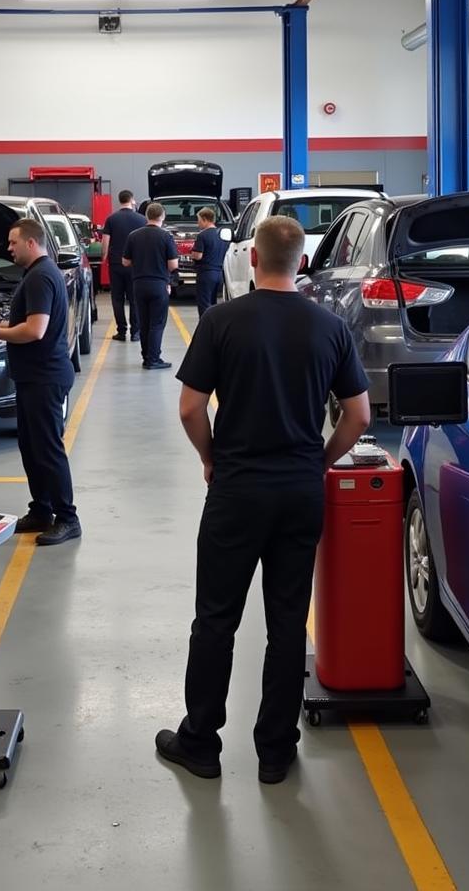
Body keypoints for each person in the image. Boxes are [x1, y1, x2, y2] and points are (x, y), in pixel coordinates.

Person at [155, 216, 371, 784]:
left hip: (238, 490)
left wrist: (210, 457)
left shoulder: (222, 320)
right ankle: (275, 750)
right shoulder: (330, 327)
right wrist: (318, 461)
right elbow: (359, 416)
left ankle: (200, 741)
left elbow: (189, 408)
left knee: (216, 620)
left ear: (253, 260)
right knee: (285, 624)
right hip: (300, 492)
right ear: (301, 262)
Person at [0, 218, 81, 546]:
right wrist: (7, 323)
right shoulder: (38, 274)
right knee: (31, 447)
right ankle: (41, 510)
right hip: (33, 377)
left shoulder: (40, 277)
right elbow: (33, 321)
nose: (8, 248)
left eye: (13, 242)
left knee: (48, 450)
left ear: (31, 243)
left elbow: (36, 330)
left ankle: (68, 518)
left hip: (44, 378)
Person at [122, 201, 179, 370]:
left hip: (139, 284)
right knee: (157, 323)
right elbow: (173, 264)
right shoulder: (166, 236)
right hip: (158, 284)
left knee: (144, 322)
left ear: (146, 216)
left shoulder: (133, 235)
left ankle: (146, 356)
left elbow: (125, 262)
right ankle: (153, 359)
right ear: (162, 216)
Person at [101, 190, 146, 343]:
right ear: (132, 200)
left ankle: (121, 331)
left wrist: (104, 257)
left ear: (119, 200)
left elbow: (105, 241)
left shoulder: (111, 219)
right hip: (135, 264)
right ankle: (136, 332)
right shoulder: (141, 219)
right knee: (134, 299)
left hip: (116, 263)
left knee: (117, 298)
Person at [190, 207, 228, 317]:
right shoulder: (222, 235)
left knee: (204, 305)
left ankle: (205, 330)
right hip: (219, 273)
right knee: (214, 304)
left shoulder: (203, 235)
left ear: (205, 219)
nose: (198, 223)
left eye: (199, 220)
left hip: (206, 273)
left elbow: (198, 256)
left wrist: (191, 254)